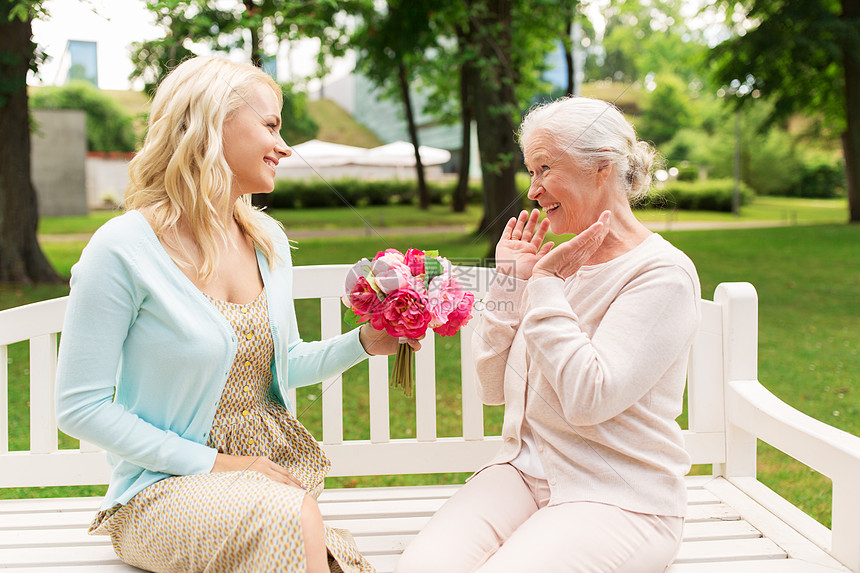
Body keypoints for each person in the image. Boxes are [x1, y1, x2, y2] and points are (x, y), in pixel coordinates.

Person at [55, 56, 416, 573]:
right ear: (210, 124)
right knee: (290, 524)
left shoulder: (266, 242)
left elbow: (283, 361)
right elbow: (80, 407)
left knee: (317, 549)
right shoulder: (123, 247)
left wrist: (362, 342)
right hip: (161, 493)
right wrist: (222, 465)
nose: (284, 145)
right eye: (270, 125)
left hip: (272, 482)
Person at [395, 96, 701, 573]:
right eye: (530, 172)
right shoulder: (554, 270)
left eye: (544, 168)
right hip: (522, 474)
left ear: (601, 169)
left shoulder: (661, 274)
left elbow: (589, 400)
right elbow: (491, 388)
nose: (533, 190)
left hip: (619, 496)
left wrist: (543, 287)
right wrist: (510, 283)